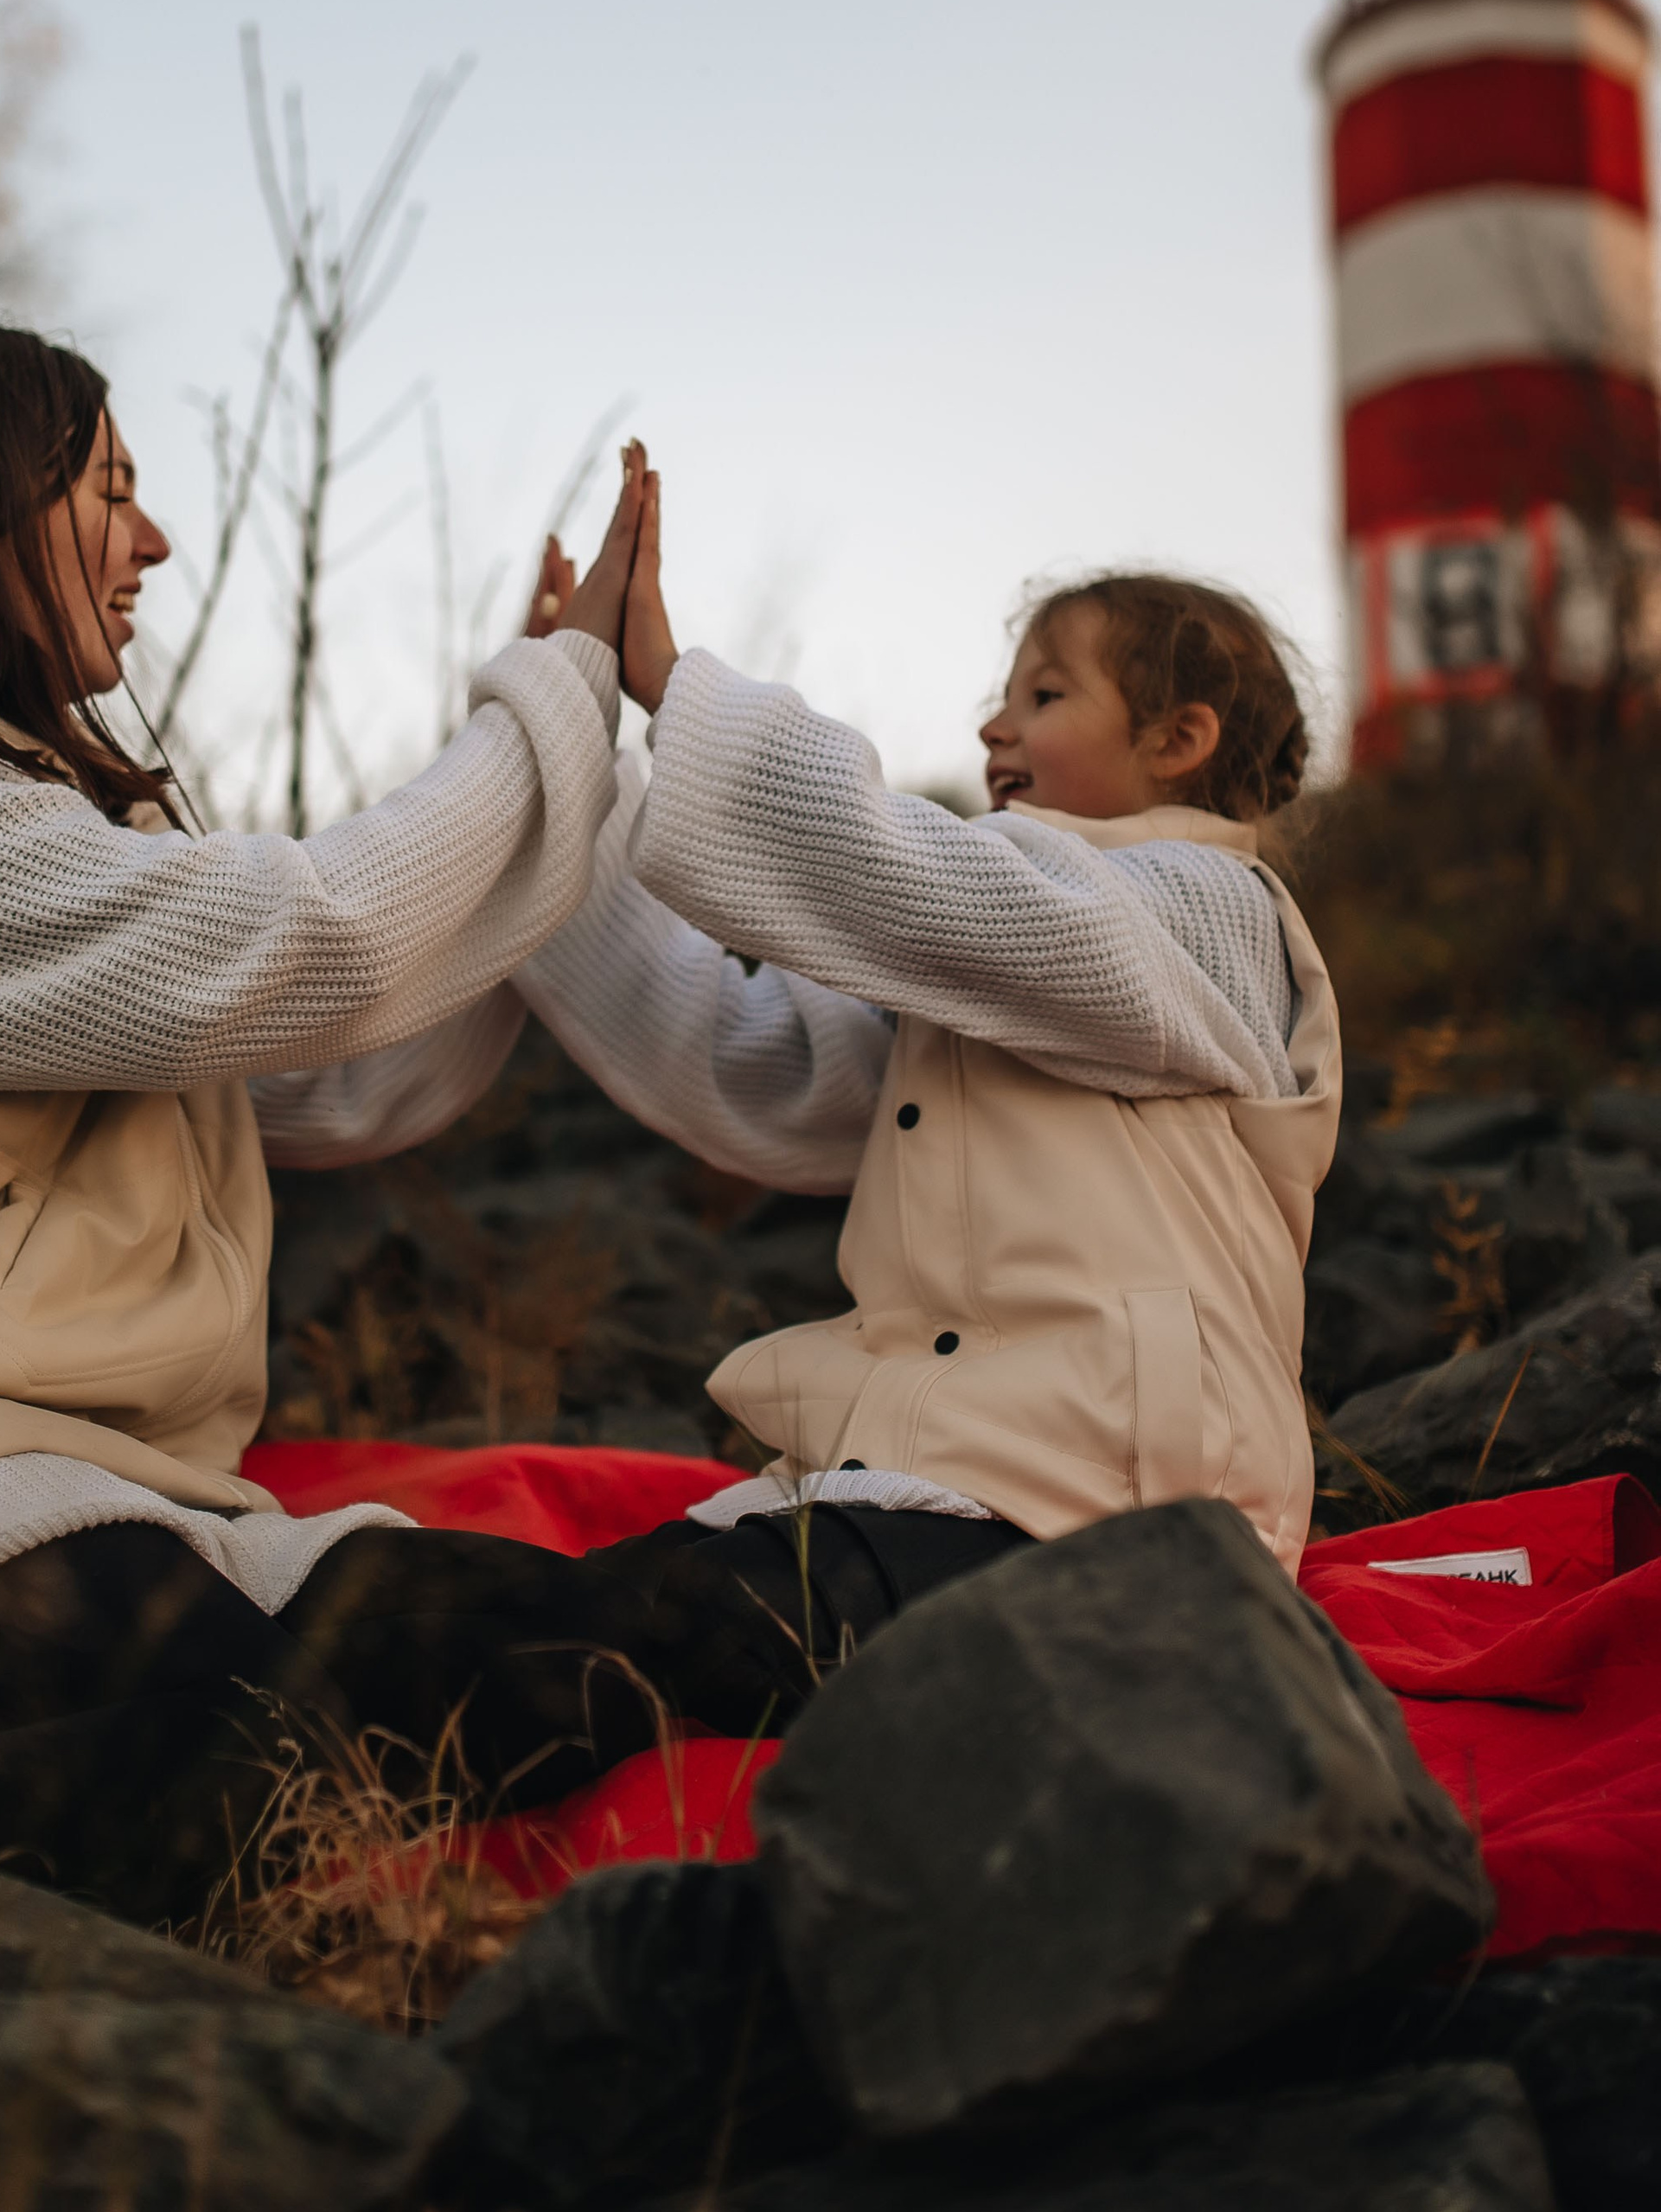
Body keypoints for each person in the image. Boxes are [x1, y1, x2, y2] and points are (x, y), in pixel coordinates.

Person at [0, 325, 963, 1915]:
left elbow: (341, 1070)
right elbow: (319, 946)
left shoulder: (17, 803)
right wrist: (561, 696)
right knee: (387, 1686)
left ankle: (875, 1592)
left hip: (44, 1496)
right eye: (109, 490)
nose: (152, 541)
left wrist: (555, 817)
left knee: (464, 1640)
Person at [519, 478, 1341, 1575]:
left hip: (1139, 1503)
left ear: (1179, 738)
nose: (992, 724)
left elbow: (947, 892)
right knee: (602, 1606)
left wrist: (681, 695)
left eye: (1045, 696)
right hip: (960, 1482)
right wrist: (568, 768)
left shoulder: (1210, 912)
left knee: (625, 1623)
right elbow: (740, 1053)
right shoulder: (983, 976)